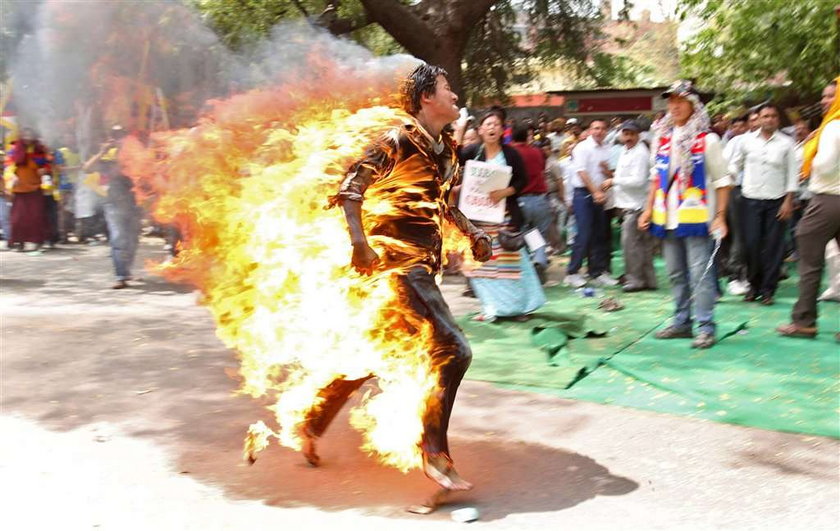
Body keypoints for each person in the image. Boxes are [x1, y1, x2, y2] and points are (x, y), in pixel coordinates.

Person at [313, 63, 492, 492]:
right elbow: (352, 188)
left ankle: (310, 421)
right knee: (454, 348)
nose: (454, 94)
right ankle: (433, 451)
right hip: (397, 266)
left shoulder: (447, 150)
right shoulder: (398, 139)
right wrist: (360, 243)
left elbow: (443, 206)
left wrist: (472, 233)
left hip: (422, 267)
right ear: (427, 97)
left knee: (374, 357)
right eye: (447, 87)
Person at [639, 80, 732, 349]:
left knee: (699, 274)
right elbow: (656, 178)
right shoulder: (662, 138)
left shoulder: (707, 140)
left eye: (681, 100)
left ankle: (705, 325)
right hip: (667, 217)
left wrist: (721, 215)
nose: (675, 106)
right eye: (672, 101)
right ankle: (681, 322)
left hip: (696, 219)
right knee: (676, 273)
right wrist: (647, 209)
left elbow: (723, 181)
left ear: (694, 104)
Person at [460, 110, 546, 321]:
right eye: (487, 124)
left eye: (496, 124)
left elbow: (521, 181)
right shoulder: (473, 151)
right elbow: (451, 157)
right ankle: (492, 308)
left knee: (511, 263)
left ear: (502, 130)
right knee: (484, 266)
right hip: (478, 219)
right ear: (480, 129)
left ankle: (519, 308)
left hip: (505, 218)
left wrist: (504, 193)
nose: (491, 128)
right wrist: (459, 129)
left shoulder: (511, 154)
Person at [778, 78, 840, 340]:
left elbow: (824, 166)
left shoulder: (833, 126)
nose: (825, 100)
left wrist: (808, 156)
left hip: (828, 199)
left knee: (809, 258)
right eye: (824, 96)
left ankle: (804, 321)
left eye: (831, 96)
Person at [728, 103, 798, 305]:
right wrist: (727, 175)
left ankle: (768, 290)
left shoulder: (786, 143)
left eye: (773, 116)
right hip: (750, 200)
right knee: (751, 245)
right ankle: (753, 285)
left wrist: (788, 201)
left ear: (778, 119)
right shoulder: (746, 141)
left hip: (777, 201)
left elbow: (792, 174)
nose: (769, 119)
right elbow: (736, 164)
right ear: (758, 119)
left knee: (774, 247)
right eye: (765, 116)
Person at [83, 125, 141, 289]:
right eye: (115, 135)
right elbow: (87, 168)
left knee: (132, 240)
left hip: (134, 202)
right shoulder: (107, 158)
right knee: (118, 238)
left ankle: (127, 271)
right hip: (114, 203)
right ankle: (120, 275)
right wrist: (102, 151)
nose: (119, 138)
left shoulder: (136, 155)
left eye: (121, 134)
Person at [564, 119, 618, 288]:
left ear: (607, 131)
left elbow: (609, 172)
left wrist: (606, 178)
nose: (599, 131)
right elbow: (581, 172)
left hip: (601, 195)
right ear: (590, 129)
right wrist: (594, 191)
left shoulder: (607, 149)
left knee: (600, 234)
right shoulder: (582, 147)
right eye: (596, 128)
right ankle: (573, 272)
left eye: (602, 128)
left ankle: (597, 271)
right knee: (584, 233)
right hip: (584, 194)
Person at [605, 120, 656, 292]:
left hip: (636, 207)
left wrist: (613, 181)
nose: (628, 137)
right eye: (625, 134)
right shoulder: (626, 151)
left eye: (631, 134)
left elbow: (638, 181)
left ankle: (635, 280)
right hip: (631, 205)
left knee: (630, 245)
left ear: (638, 135)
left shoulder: (640, 153)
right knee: (641, 245)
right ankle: (648, 279)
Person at [510, 123, 551, 281]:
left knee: (522, 234)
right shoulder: (538, 152)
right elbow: (542, 169)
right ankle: (539, 260)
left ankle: (527, 267)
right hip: (540, 199)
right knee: (537, 234)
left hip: (519, 200)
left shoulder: (510, 153)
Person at [3, 128, 52, 252]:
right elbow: (8, 165)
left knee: (36, 217)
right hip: (18, 189)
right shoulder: (14, 149)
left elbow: (48, 164)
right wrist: (11, 176)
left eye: (29, 134)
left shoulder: (39, 149)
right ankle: (19, 242)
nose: (27, 137)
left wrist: (44, 169)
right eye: (25, 134)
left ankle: (37, 242)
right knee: (17, 219)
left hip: (35, 188)